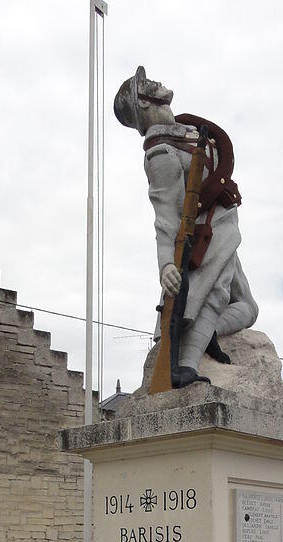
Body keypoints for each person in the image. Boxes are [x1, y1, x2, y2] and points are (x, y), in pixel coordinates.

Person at [114, 66, 258, 388]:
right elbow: (165, 215)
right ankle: (185, 365)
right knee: (215, 295)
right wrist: (166, 264)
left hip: (220, 226)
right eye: (147, 84)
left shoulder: (186, 131)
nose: (157, 83)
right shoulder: (161, 152)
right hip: (204, 237)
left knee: (248, 308)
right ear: (144, 103)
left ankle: (207, 333)